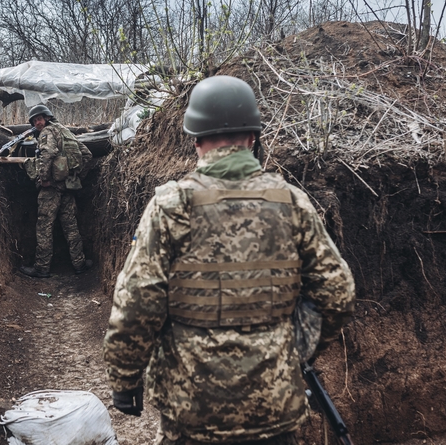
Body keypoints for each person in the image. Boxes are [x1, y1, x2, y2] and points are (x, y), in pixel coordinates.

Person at [102, 75, 355, 444]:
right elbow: (338, 294)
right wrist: (293, 348)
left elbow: (138, 302)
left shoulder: (171, 206)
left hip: (193, 408)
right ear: (253, 138)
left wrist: (125, 380)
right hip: (273, 405)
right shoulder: (292, 203)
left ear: (196, 140)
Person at [18, 105, 93, 278]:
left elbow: (47, 154)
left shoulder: (47, 133)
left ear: (47, 118)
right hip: (67, 187)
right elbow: (87, 155)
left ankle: (41, 268)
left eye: (39, 119)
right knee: (70, 225)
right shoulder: (65, 131)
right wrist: (77, 177)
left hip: (51, 188)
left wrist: (44, 179)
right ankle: (79, 263)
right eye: (34, 120)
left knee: (44, 226)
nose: (37, 123)